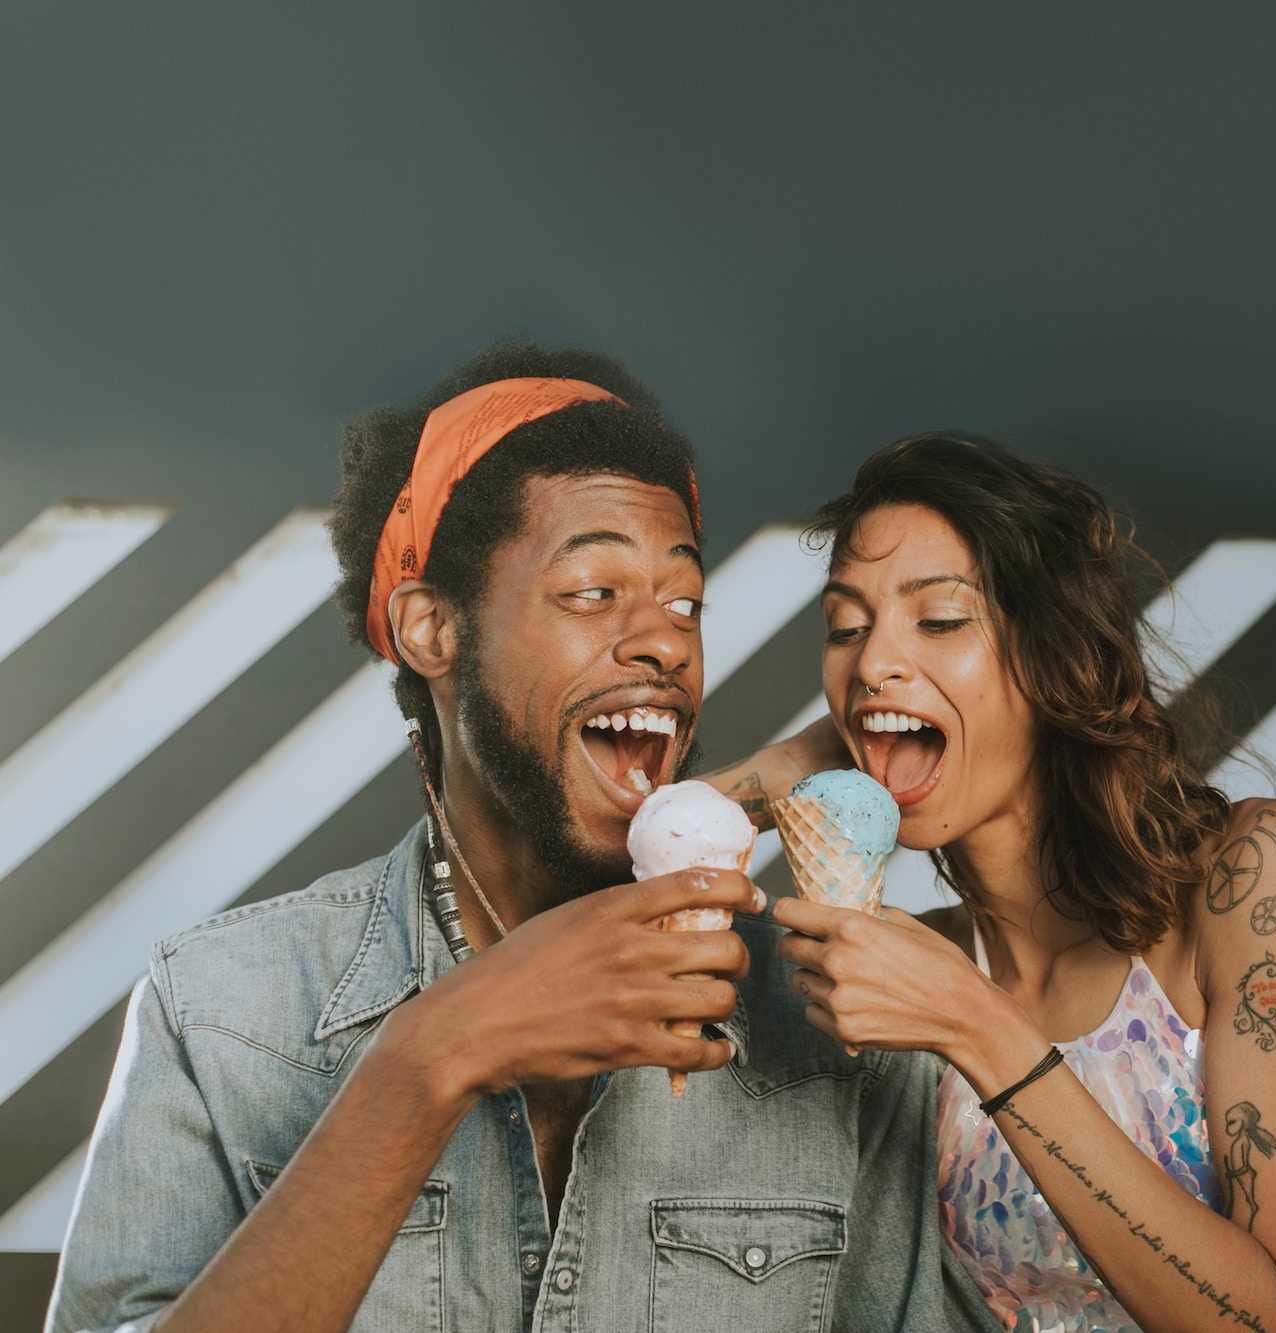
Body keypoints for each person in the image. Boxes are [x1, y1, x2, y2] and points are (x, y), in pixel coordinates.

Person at [45, 344, 994, 1333]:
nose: (665, 640)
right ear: (431, 630)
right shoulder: (216, 1013)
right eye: (592, 592)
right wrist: (430, 1056)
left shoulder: (839, 1020)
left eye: (685, 602)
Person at [707, 433, 1276, 1331]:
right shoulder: (910, 967)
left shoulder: (1255, 877)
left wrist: (977, 1023)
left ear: (1053, 657)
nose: (871, 659)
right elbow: (604, 891)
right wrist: (789, 764)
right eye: (845, 628)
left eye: (939, 619)